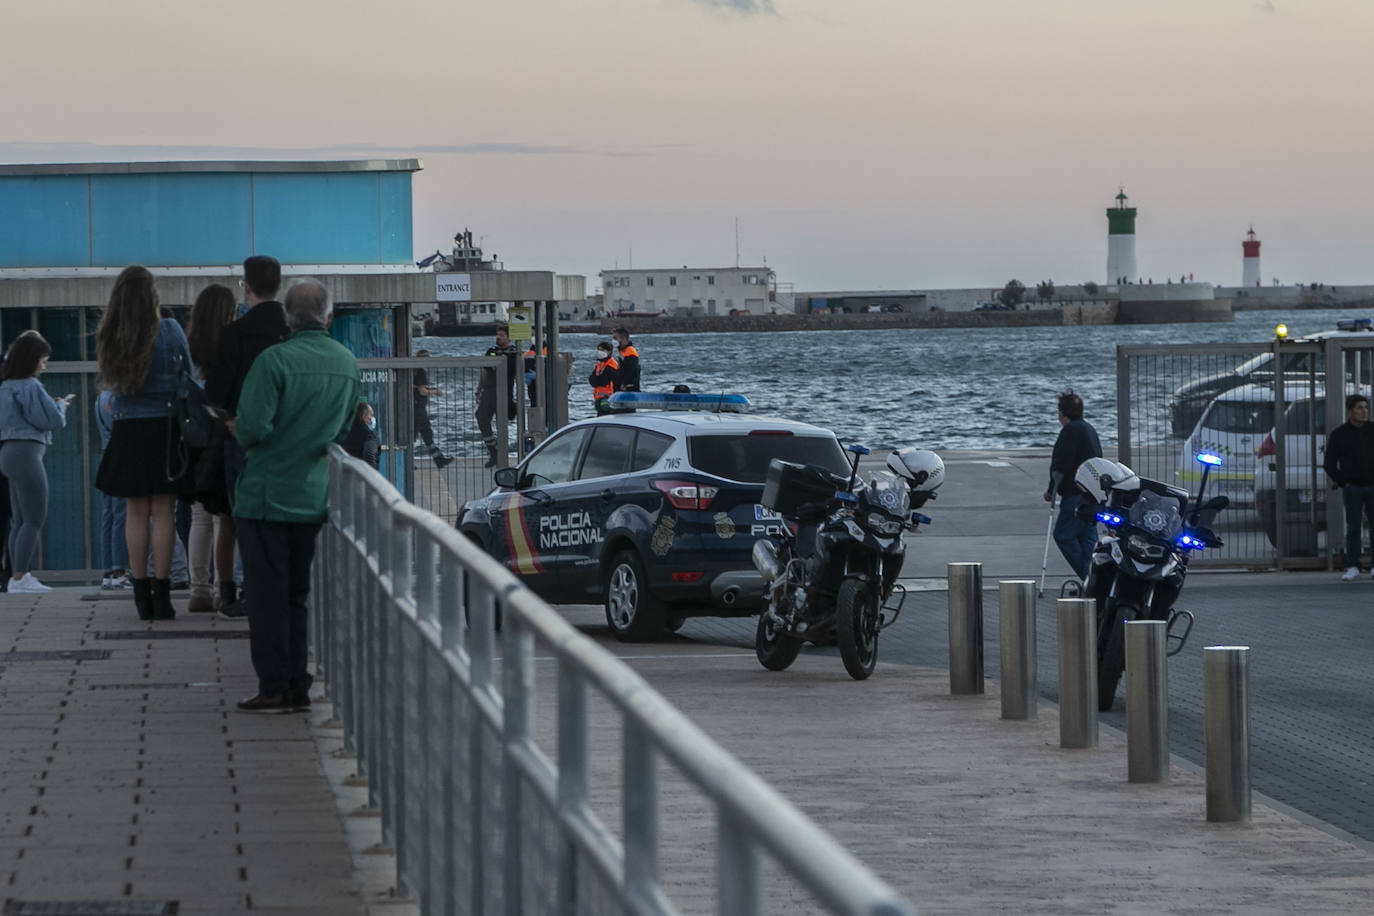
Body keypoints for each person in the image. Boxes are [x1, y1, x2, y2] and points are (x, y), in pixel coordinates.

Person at [232, 278, 360, 713]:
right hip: (313, 493)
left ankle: (273, 685)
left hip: (265, 494)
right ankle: (298, 684)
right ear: (329, 316)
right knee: (296, 595)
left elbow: (252, 429)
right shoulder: (346, 363)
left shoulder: (274, 361)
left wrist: (235, 427)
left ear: (287, 316)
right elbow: (344, 428)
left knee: (266, 597)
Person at [95, 266, 194, 620]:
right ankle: (162, 592)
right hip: (165, 426)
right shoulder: (168, 329)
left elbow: (110, 380)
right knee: (164, 511)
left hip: (127, 428)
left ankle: (139, 592)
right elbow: (189, 374)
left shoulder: (111, 332)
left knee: (135, 511)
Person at [205, 255, 289, 620]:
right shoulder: (291, 332)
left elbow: (216, 393)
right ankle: (277, 588)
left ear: (246, 286)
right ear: (279, 285)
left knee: (242, 519)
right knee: (282, 518)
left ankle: (238, 592)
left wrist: (230, 419)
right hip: (287, 438)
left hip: (241, 437)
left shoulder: (233, 334)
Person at [0, 331, 70, 594]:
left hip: (8, 452)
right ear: (32, 359)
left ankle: (16, 576)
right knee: (34, 518)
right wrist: (61, 406)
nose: (45, 364)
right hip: (27, 453)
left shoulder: (5, 386)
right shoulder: (30, 385)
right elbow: (50, 421)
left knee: (19, 520)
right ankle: (20, 577)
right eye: (43, 359)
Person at [184, 283, 239, 612]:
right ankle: (224, 588)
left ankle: (198, 589)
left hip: (194, 437)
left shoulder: (190, 345)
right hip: (224, 434)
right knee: (224, 518)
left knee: (198, 518)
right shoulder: (231, 343)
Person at [1044, 389, 1102, 581]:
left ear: (1061, 413)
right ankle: (1095, 578)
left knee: (1064, 535)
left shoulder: (1069, 431)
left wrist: (1051, 491)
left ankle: (1088, 578)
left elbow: (1061, 465)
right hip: (1093, 494)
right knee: (1087, 538)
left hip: (1075, 494)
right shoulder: (1089, 429)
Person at [1322, 393, 1374, 580]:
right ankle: (1353, 565)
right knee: (1353, 527)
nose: (1364, 411)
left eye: (1365, 408)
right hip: (1352, 487)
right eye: (1359, 408)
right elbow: (1329, 463)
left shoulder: (1372, 430)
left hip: (1372, 485)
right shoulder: (1339, 435)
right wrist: (1343, 481)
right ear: (1350, 412)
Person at [95, 391, 130, 590]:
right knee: (120, 515)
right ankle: (119, 571)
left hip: (106, 455)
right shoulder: (117, 397)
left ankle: (109, 570)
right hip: (120, 457)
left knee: (108, 515)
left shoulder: (101, 396)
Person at [474, 326, 518, 468]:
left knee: (502, 425)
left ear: (508, 338)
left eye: (501, 335)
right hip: (489, 392)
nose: (498, 337)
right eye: (497, 335)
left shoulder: (513, 353)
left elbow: (515, 374)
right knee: (481, 418)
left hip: (505, 392)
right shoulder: (491, 352)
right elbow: (485, 371)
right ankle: (493, 451)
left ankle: (502, 458)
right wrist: (478, 390)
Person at [412, 350, 451, 468]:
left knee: (426, 434)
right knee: (419, 435)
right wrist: (435, 392)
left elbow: (416, 386)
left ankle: (439, 459)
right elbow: (422, 391)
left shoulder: (412, 369)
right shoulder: (420, 372)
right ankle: (410, 462)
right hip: (418, 408)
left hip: (415, 406)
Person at [342, 401, 381, 468]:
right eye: (371, 415)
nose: (373, 418)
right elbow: (369, 454)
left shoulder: (343, 433)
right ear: (364, 417)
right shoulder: (369, 436)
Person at [588, 341, 619, 414]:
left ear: (609, 351)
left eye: (602, 350)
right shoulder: (600, 365)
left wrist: (596, 380)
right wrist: (596, 380)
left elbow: (603, 381)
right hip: (599, 399)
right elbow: (591, 380)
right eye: (599, 350)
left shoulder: (612, 365)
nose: (600, 352)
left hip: (608, 399)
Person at [612, 326, 641, 392]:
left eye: (615, 338)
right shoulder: (622, 351)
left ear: (623, 338)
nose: (613, 341)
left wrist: (623, 384)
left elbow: (630, 372)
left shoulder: (630, 352)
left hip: (629, 390)